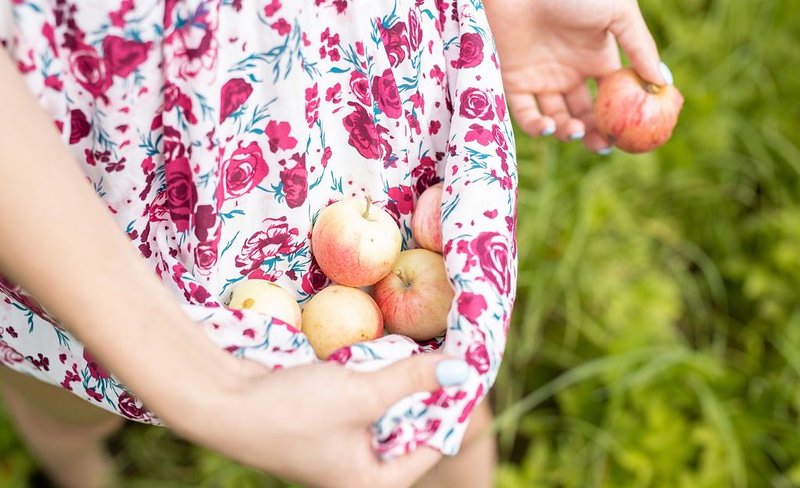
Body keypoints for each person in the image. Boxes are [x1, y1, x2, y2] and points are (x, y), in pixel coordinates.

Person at [0, 1, 669, 487]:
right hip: (87, 170)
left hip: (354, 90)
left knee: (437, 390)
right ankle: (79, 471)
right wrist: (206, 391)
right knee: (69, 384)